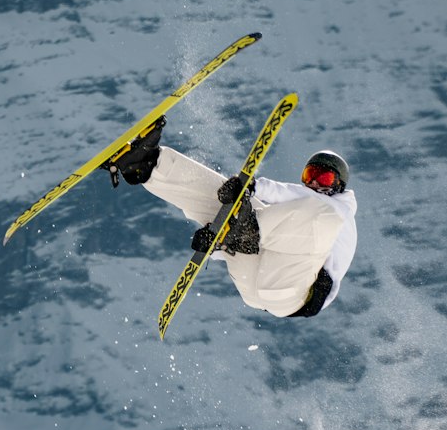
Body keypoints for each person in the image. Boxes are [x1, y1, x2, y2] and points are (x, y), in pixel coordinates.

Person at [107, 118, 356, 318]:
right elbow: (283, 205)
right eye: (310, 175)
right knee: (230, 206)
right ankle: (147, 165)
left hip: (294, 293)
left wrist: (253, 186)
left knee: (308, 214)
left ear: (339, 186)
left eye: (324, 179)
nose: (313, 183)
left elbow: (297, 197)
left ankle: (244, 231)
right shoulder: (299, 215)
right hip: (256, 285)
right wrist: (216, 244)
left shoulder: (337, 210)